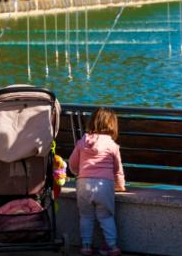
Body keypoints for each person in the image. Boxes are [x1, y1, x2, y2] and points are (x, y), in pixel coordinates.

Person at [69, 108, 126, 256]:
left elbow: (73, 163)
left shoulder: (82, 141)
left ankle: (86, 246)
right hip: (104, 185)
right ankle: (112, 246)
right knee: (106, 216)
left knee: (86, 216)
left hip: (83, 184)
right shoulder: (112, 145)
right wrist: (120, 185)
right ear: (113, 125)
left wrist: (78, 172)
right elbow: (117, 169)